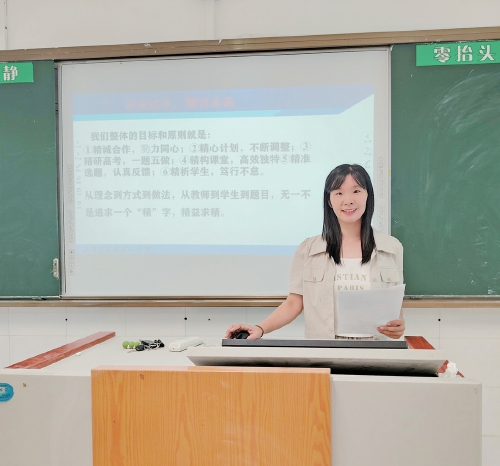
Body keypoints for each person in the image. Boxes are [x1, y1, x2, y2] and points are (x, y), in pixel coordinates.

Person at [225, 164, 405, 340]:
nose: (348, 200)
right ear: (329, 201)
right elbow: (294, 303)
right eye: (339, 193)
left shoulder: (391, 248)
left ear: (368, 195)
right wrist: (260, 328)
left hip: (375, 350)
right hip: (324, 350)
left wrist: (398, 326)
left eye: (356, 191)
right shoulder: (309, 250)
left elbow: (395, 307)